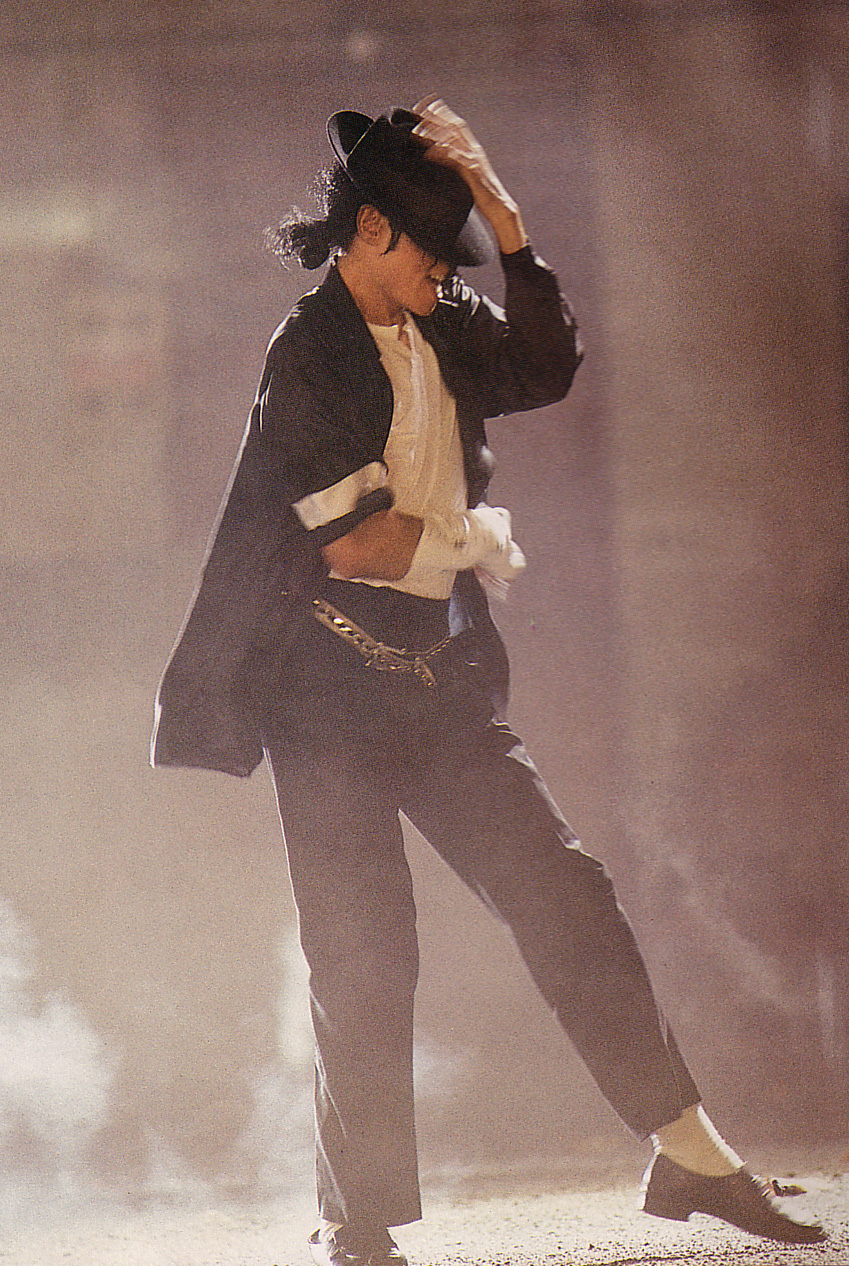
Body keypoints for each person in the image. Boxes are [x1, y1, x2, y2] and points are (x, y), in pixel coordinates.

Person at [151, 99, 827, 1265]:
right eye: (433, 249)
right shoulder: (305, 355)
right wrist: (476, 540)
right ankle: (360, 1219)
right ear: (370, 231)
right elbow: (357, 545)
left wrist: (511, 225)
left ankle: (689, 1151)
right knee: (365, 951)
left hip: (439, 680)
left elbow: (548, 365)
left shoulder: (441, 319)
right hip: (324, 698)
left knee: (567, 894)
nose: (446, 273)